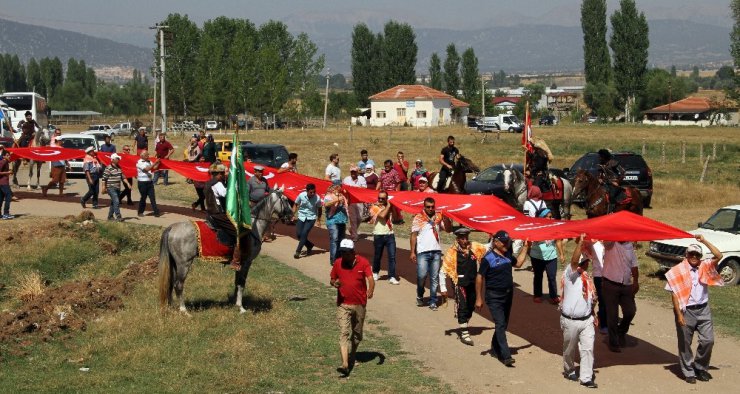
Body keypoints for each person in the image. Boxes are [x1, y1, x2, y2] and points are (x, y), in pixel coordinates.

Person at [665, 235, 724, 384]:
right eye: (691, 253)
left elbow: (719, 255)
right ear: (686, 255)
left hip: (703, 309)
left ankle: (700, 367)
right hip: (686, 311)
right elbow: (674, 296)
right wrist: (679, 315)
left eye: (697, 254)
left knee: (708, 340)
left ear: (700, 257)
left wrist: (704, 241)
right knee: (685, 343)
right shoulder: (677, 271)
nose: (694, 256)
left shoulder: (705, 267)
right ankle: (688, 372)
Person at [475, 230, 528, 366]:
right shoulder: (488, 258)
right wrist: (479, 298)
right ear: (496, 242)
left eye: (508, 242)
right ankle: (505, 356)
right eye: (504, 242)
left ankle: (494, 347)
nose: (506, 244)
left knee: (503, 324)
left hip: (508, 294)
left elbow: (519, 264)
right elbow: (480, 277)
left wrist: (526, 247)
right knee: (500, 323)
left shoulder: (508, 255)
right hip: (494, 296)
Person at [329, 239, 374, 377]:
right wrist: (334, 283)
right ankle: (345, 364)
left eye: (346, 253)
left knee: (357, 335)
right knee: (343, 332)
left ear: (353, 252)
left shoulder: (363, 262)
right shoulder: (338, 263)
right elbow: (332, 278)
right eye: (342, 252)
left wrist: (371, 289)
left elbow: (370, 278)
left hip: (359, 304)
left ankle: (353, 354)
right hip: (343, 304)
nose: (344, 255)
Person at [561, 234, 599, 389]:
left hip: (586, 320)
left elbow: (592, 299)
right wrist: (581, 242)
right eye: (583, 262)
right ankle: (569, 370)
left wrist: (593, 312)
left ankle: (586, 377)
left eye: (586, 262)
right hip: (570, 320)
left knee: (588, 348)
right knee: (569, 349)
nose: (584, 265)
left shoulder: (588, 279)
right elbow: (574, 261)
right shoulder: (570, 274)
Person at [440, 227, 487, 346]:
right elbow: (443, 271)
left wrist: (493, 234)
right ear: (457, 239)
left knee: (471, 306)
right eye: (462, 238)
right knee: (463, 305)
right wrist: (443, 288)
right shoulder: (451, 252)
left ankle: (463, 323)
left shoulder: (475, 247)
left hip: (472, 283)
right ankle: (464, 333)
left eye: (466, 238)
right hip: (459, 283)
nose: (465, 240)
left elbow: (488, 247)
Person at [410, 197, 452, 311]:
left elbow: (448, 229)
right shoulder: (418, 218)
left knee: (434, 278)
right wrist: (412, 251)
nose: (430, 209)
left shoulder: (439, 217)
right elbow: (413, 235)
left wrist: (446, 218)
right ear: (424, 206)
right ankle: (420, 293)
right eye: (428, 207)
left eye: (432, 207)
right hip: (422, 252)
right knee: (421, 276)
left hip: (436, 251)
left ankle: (433, 300)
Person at [521, 207, 564, 304]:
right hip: (537, 257)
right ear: (541, 218)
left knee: (552, 276)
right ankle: (537, 295)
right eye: (548, 217)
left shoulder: (554, 227)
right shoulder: (535, 228)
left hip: (551, 256)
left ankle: (553, 296)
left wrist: (561, 254)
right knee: (538, 276)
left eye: (551, 217)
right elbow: (528, 242)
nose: (550, 219)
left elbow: (558, 241)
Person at [601, 240, 638, 353]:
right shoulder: (610, 243)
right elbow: (605, 238)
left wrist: (636, 281)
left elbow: (634, 265)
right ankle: (613, 342)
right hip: (610, 283)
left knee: (630, 311)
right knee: (612, 315)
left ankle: (621, 331)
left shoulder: (629, 245)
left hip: (626, 284)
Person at [204, 163, 244, 270]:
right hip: (217, 214)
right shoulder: (217, 184)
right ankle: (235, 261)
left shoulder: (208, 183)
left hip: (211, 212)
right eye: (223, 173)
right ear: (220, 174)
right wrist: (234, 185)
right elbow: (226, 194)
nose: (224, 175)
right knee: (239, 232)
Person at [368, 190, 398, 284]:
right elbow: (382, 215)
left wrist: (393, 209)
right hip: (378, 234)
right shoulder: (374, 207)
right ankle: (375, 272)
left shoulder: (389, 207)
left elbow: (397, 218)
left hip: (390, 234)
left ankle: (392, 276)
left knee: (392, 256)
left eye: (383, 198)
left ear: (386, 199)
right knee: (377, 255)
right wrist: (389, 206)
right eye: (379, 198)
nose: (380, 200)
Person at [581, 239, 608, 334]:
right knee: (603, 299)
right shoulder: (592, 242)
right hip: (599, 275)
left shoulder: (612, 242)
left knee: (608, 300)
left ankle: (601, 316)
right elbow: (581, 245)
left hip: (611, 275)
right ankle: (604, 324)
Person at [292, 183, 322, 259]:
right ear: (307, 191)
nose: (313, 194)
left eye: (314, 192)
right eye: (311, 192)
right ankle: (309, 245)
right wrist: (293, 215)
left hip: (311, 218)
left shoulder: (317, 198)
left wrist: (318, 220)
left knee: (304, 233)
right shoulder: (301, 195)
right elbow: (296, 204)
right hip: (301, 216)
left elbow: (320, 209)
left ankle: (298, 252)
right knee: (299, 234)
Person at [324, 184, 349, 266]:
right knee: (334, 239)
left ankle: (339, 257)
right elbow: (326, 204)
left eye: (339, 186)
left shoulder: (343, 196)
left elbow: (347, 204)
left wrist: (346, 195)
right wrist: (337, 199)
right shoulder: (328, 196)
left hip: (342, 221)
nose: (339, 188)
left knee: (341, 240)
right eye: (337, 186)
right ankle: (333, 259)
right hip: (332, 221)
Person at [101, 153, 130, 221]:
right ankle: (118, 216)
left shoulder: (119, 167)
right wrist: (103, 187)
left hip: (117, 188)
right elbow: (104, 178)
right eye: (117, 158)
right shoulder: (108, 168)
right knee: (116, 201)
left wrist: (128, 183)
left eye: (119, 158)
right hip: (111, 188)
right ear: (113, 159)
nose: (118, 160)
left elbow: (123, 177)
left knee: (113, 202)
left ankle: (110, 216)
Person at [597, 149, 625, 213]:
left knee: (611, 195)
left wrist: (617, 182)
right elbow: (599, 174)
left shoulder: (613, 163)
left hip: (613, 183)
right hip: (604, 183)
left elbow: (623, 172)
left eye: (600, 156)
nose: (599, 158)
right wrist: (599, 179)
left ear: (604, 156)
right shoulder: (601, 164)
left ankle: (612, 211)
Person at [342, 166, 366, 242]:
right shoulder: (346, 179)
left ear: (357, 172)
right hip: (350, 201)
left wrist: (355, 189)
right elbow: (343, 189)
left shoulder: (361, 179)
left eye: (354, 172)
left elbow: (364, 188)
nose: (353, 173)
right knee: (353, 218)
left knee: (359, 218)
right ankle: (354, 236)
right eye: (352, 172)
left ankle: (352, 229)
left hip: (359, 200)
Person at [136, 150, 161, 217]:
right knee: (143, 198)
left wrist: (158, 162)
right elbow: (147, 169)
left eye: (148, 154)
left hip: (149, 182)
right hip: (142, 183)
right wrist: (155, 162)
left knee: (152, 197)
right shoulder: (139, 162)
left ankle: (156, 212)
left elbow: (154, 168)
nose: (148, 156)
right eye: (146, 155)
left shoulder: (149, 161)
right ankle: (140, 212)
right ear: (142, 156)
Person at [378, 159, 402, 224]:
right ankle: (385, 218)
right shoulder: (382, 172)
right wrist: (376, 190)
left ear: (391, 166)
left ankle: (396, 219)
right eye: (385, 166)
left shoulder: (394, 172)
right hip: (384, 191)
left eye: (388, 166)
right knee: (383, 205)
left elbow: (398, 182)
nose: (386, 167)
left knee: (392, 206)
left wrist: (397, 192)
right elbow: (380, 181)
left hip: (392, 192)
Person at [0, 148, 13, 220]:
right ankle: (6, 213)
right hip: (3, 183)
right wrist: (8, 172)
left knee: (1, 198)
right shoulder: (3, 162)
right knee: (8, 197)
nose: (9, 157)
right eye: (7, 155)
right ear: (4, 156)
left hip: (2, 183)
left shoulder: (6, 162)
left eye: (9, 155)